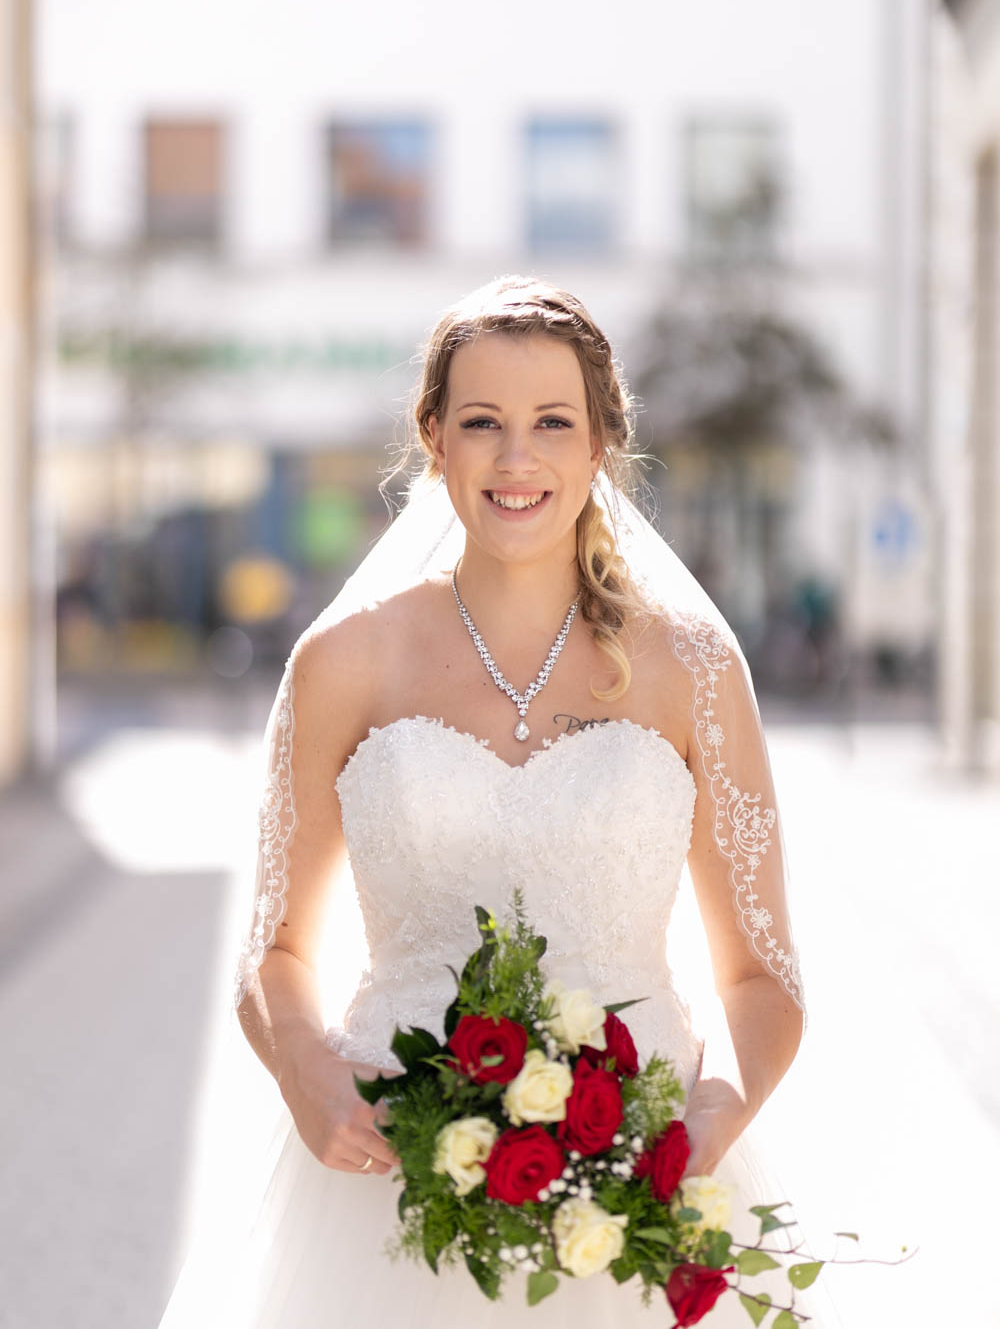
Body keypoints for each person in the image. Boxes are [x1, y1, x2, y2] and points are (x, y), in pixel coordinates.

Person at [155, 275, 828, 1327]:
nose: (517, 460)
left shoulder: (692, 670)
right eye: (482, 424)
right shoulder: (342, 661)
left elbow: (762, 977)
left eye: (551, 423)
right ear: (433, 439)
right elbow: (273, 950)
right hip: (383, 1188)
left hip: (633, 1183)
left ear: (600, 443)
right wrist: (304, 1071)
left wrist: (704, 1121)